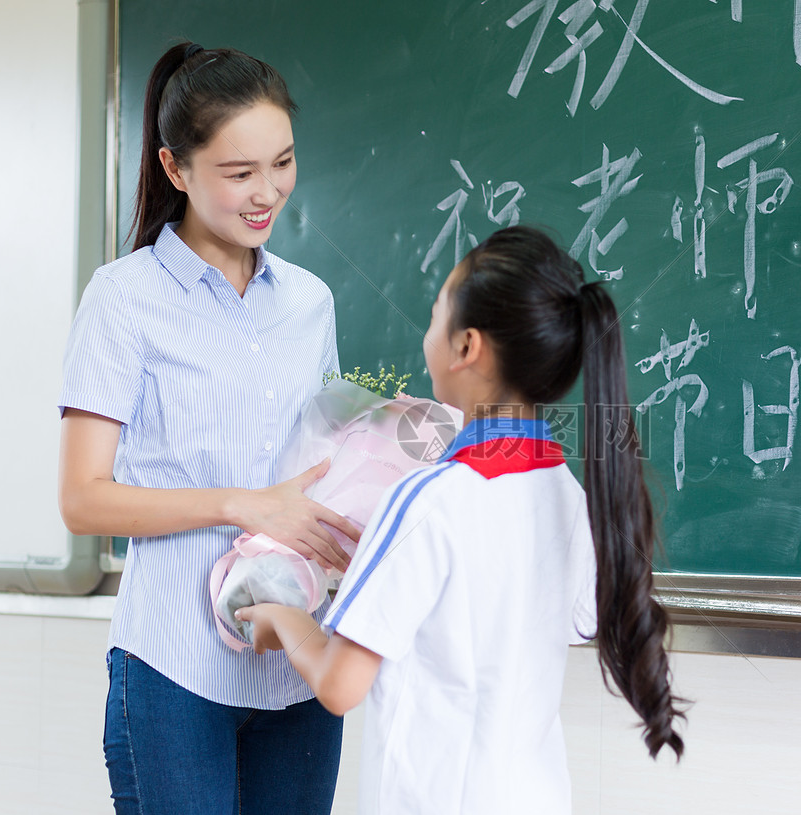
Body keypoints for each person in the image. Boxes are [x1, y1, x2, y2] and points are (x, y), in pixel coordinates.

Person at [238, 225, 686, 814]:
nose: (426, 336)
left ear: (467, 346)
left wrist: (281, 617)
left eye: (433, 317)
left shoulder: (424, 497)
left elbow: (340, 685)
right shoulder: (571, 497)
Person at [57, 42, 358, 814]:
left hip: (296, 656)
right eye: (239, 173)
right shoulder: (122, 299)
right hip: (173, 666)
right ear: (175, 167)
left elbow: (323, 461)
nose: (268, 193)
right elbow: (83, 501)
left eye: (283, 163)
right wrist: (242, 502)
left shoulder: (310, 302)